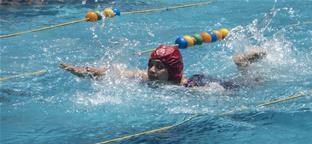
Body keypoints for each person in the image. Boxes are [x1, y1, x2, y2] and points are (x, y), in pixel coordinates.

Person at [59, 45, 266, 88]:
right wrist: (84, 71)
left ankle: (243, 64)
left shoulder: (191, 88)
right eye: (151, 65)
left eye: (159, 67)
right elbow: (115, 72)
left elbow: (218, 95)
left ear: (173, 70)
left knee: (248, 85)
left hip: (200, 81)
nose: (151, 71)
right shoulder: (145, 77)